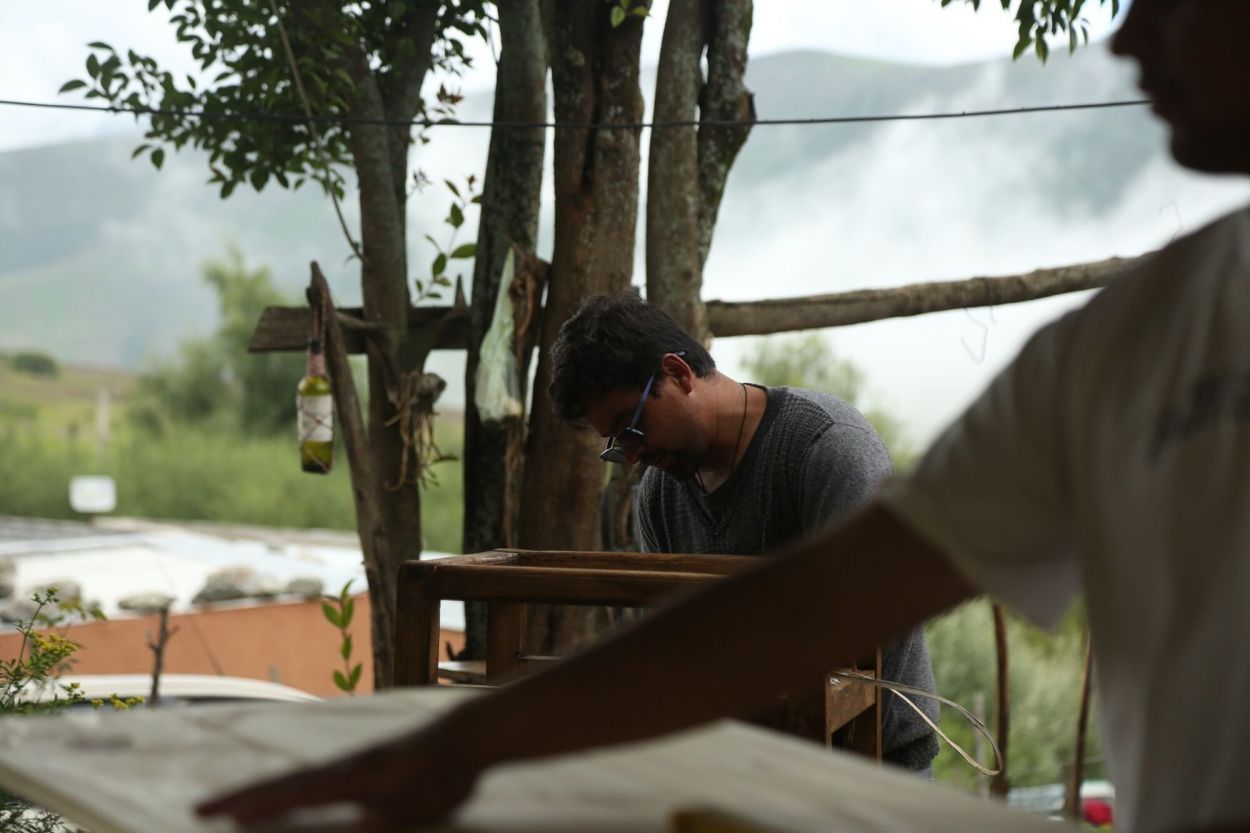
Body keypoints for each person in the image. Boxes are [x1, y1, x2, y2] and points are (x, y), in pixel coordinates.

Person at [197, 2, 1250, 831]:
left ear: (675, 373)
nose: (1124, 35)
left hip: (856, 763)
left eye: (1173, 0)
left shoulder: (826, 449)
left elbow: (855, 638)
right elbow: (788, 609)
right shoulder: (1126, 344)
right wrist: (462, 742)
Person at [548, 292, 939, 772]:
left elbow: (867, 630)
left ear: (678, 373)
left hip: (872, 772)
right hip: (741, 770)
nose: (630, 455)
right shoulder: (659, 497)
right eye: (614, 445)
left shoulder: (826, 449)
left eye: (631, 428)